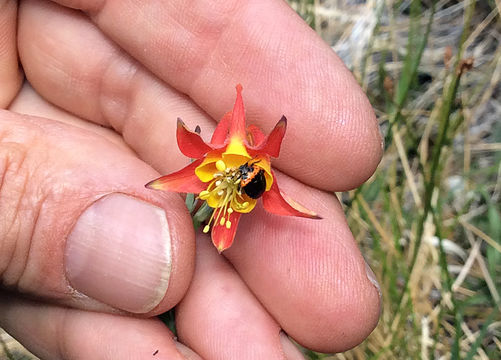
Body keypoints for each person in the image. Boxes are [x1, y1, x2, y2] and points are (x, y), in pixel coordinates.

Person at [0, 0, 383, 358]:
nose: (239, 179)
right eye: (245, 171)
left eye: (247, 172)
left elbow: (276, 204)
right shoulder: (227, 183)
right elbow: (186, 181)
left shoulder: (238, 190)